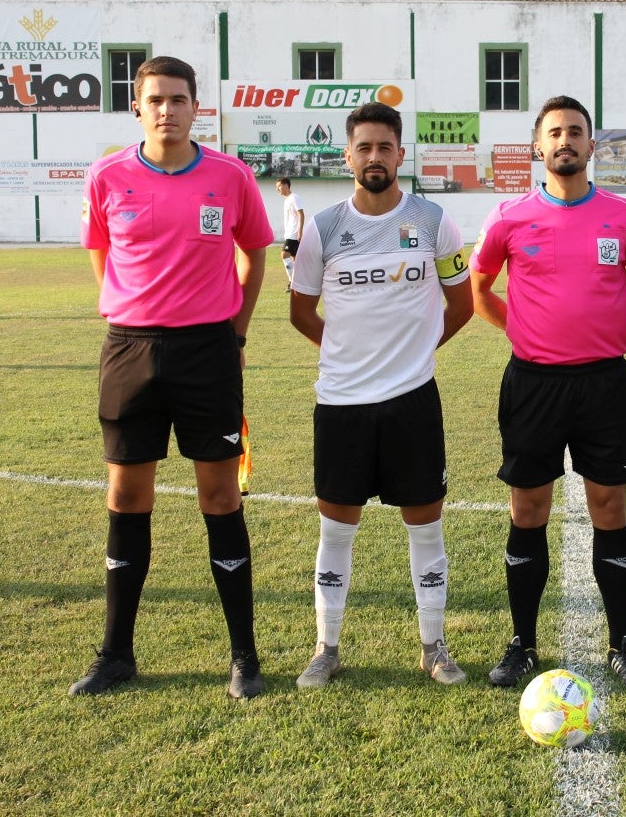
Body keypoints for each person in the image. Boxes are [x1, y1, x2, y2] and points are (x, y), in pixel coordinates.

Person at [71, 56, 272, 699]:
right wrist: (131, 312)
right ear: (137, 107)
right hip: (130, 350)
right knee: (127, 497)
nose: (167, 110)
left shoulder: (230, 176)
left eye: (178, 99)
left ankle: (244, 656)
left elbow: (254, 255)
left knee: (221, 497)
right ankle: (115, 655)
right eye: (155, 99)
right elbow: (102, 255)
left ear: (195, 107)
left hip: (208, 352)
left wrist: (235, 336)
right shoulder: (107, 176)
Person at [470, 94, 626, 688]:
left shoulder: (624, 216)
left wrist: (608, 321)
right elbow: (479, 289)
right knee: (529, 509)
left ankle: (622, 642)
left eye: (575, 131)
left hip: (604, 384)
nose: (565, 141)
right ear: (538, 146)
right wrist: (522, 329)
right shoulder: (509, 217)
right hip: (533, 383)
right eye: (554, 133)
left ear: (591, 145)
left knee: (610, 507)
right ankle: (522, 643)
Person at [288, 101, 474, 688]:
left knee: (426, 525)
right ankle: (326, 647)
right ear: (348, 156)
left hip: (412, 400)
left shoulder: (434, 221)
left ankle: (434, 646)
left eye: (384, 147)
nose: (375, 157)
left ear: (400, 155)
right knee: (336, 529)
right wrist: (349, 352)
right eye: (364, 147)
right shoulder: (322, 229)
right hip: (341, 403)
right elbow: (301, 312)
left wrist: (413, 352)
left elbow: (462, 304)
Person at [276, 177, 304, 291]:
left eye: (279, 186)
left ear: (286, 185)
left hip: (293, 234)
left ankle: (293, 283)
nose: (277, 189)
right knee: (295, 260)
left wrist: (300, 232)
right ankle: (298, 283)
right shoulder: (287, 200)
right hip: (289, 234)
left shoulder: (294, 198)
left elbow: (301, 214)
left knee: (284, 254)